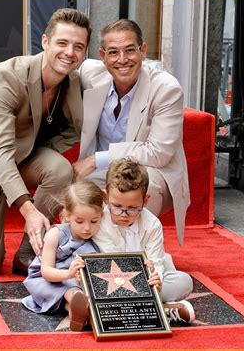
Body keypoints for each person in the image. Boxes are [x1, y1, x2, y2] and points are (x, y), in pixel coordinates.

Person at [0, 8, 91, 275]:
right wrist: (29, 210)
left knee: (60, 169)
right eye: (62, 43)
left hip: (22, 157)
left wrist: (42, 150)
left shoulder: (75, 81)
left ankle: (28, 251)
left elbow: (76, 128)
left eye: (78, 46)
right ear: (45, 42)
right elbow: (0, 152)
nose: (70, 52)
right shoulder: (6, 77)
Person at [73, 19, 189, 246]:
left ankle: (135, 252)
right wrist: (0, 74)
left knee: (141, 185)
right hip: (103, 172)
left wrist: (97, 159)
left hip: (151, 172)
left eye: (130, 50)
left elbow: (159, 152)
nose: (122, 60)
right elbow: (53, 66)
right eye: (113, 52)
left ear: (143, 50)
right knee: (71, 187)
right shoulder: (89, 73)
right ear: (102, 54)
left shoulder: (166, 88)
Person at [92, 158, 195, 324]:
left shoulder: (152, 224)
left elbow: (157, 261)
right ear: (106, 197)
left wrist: (156, 277)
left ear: (145, 201)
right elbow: (109, 259)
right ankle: (162, 309)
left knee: (184, 282)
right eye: (117, 206)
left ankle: (127, 309)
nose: (123, 214)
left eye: (132, 208)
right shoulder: (100, 221)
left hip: (145, 281)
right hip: (112, 280)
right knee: (89, 287)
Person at [21, 181, 103, 331]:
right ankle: (79, 304)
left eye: (94, 221)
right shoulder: (56, 234)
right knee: (71, 290)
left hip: (76, 283)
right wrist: (69, 273)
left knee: (80, 292)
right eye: (79, 221)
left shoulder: (98, 239)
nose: (87, 227)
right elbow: (46, 271)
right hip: (46, 280)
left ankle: (76, 309)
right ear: (67, 215)